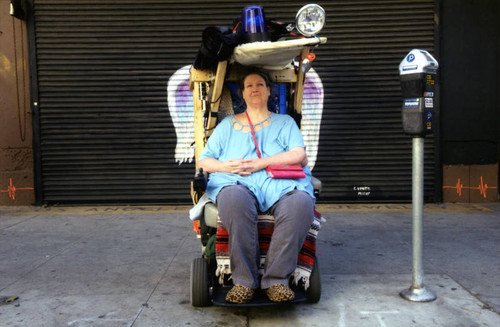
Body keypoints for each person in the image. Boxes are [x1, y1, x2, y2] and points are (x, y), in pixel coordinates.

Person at [198, 69, 315, 304]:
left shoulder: (284, 122)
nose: (254, 88)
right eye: (249, 85)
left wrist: (261, 163)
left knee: (301, 202)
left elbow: (298, 154)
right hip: (237, 181)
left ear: (269, 90)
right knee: (233, 199)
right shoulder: (227, 126)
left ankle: (276, 280)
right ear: (242, 93)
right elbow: (204, 161)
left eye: (260, 84)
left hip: (278, 183)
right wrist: (226, 168)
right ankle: (244, 281)